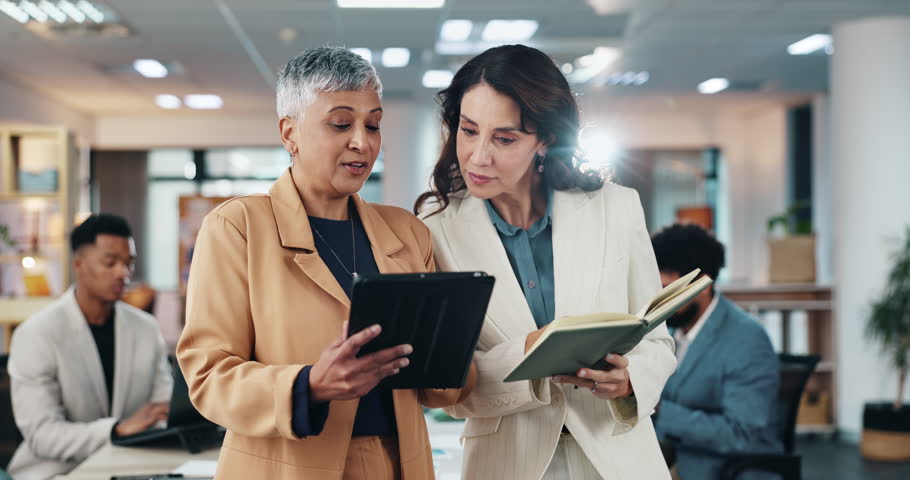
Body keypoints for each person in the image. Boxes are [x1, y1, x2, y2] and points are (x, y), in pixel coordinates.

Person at [177, 47, 474, 480]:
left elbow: (443, 388)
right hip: (288, 467)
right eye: (341, 124)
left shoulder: (406, 232)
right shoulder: (238, 227)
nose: (362, 140)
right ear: (289, 133)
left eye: (373, 124)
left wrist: (452, 348)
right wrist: (309, 385)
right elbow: (209, 378)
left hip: (398, 464)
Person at [416, 44, 676, 480]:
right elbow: (447, 385)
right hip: (508, 463)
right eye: (468, 130)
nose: (479, 156)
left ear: (546, 141)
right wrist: (529, 354)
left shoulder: (617, 208)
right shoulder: (433, 231)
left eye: (504, 138)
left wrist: (629, 380)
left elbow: (657, 340)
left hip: (618, 461)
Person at [7, 214, 173, 480]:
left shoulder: (145, 328)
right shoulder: (37, 334)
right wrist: (116, 430)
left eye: (129, 264)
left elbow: (162, 408)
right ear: (78, 264)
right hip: (58, 471)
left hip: (133, 467)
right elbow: (42, 435)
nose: (123, 273)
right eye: (110, 263)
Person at [651, 224, 782, 480]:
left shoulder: (746, 339)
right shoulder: (671, 333)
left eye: (670, 291)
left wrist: (658, 410)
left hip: (723, 470)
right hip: (674, 458)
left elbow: (742, 434)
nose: (662, 302)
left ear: (702, 283)